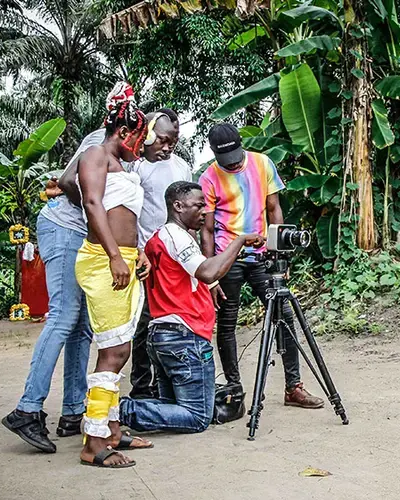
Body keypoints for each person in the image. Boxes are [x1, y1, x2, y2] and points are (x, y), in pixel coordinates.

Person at [1, 83, 135, 453]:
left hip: (84, 237)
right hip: (64, 227)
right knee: (63, 316)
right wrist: (94, 214)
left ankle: (74, 411)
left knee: (82, 328)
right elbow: (64, 182)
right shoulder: (99, 141)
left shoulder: (128, 150)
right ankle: (27, 410)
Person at [119, 181, 263, 432]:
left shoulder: (159, 238)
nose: (204, 212)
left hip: (163, 336)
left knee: (172, 405)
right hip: (184, 336)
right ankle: (119, 410)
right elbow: (207, 272)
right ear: (178, 205)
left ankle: (115, 411)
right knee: (197, 416)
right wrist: (238, 241)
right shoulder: (176, 236)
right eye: (198, 206)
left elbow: (191, 277)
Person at [199, 123, 324, 409]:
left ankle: (294, 387)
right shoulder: (208, 178)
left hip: (261, 257)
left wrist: (279, 252)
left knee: (285, 317)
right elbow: (206, 230)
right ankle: (235, 389)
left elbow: (273, 209)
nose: (233, 164)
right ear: (215, 155)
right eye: (226, 160)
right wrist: (212, 276)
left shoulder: (262, 163)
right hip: (227, 258)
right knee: (227, 324)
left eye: (236, 157)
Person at [70, 99, 154, 468]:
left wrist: (138, 254)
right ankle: (94, 442)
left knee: (122, 349)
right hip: (106, 260)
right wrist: (115, 256)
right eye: (138, 136)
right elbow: (91, 202)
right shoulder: (94, 155)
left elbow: (127, 216)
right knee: (113, 352)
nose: (141, 144)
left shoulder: (120, 163)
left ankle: (113, 429)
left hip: (125, 258)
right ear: (123, 132)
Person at [129, 109, 193, 400]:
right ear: (149, 135)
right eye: (164, 140)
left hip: (176, 256)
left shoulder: (182, 167)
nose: (168, 147)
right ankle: (141, 385)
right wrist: (136, 251)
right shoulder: (137, 167)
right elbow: (130, 213)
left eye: (173, 141)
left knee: (173, 319)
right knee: (144, 321)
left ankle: (167, 384)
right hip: (146, 256)